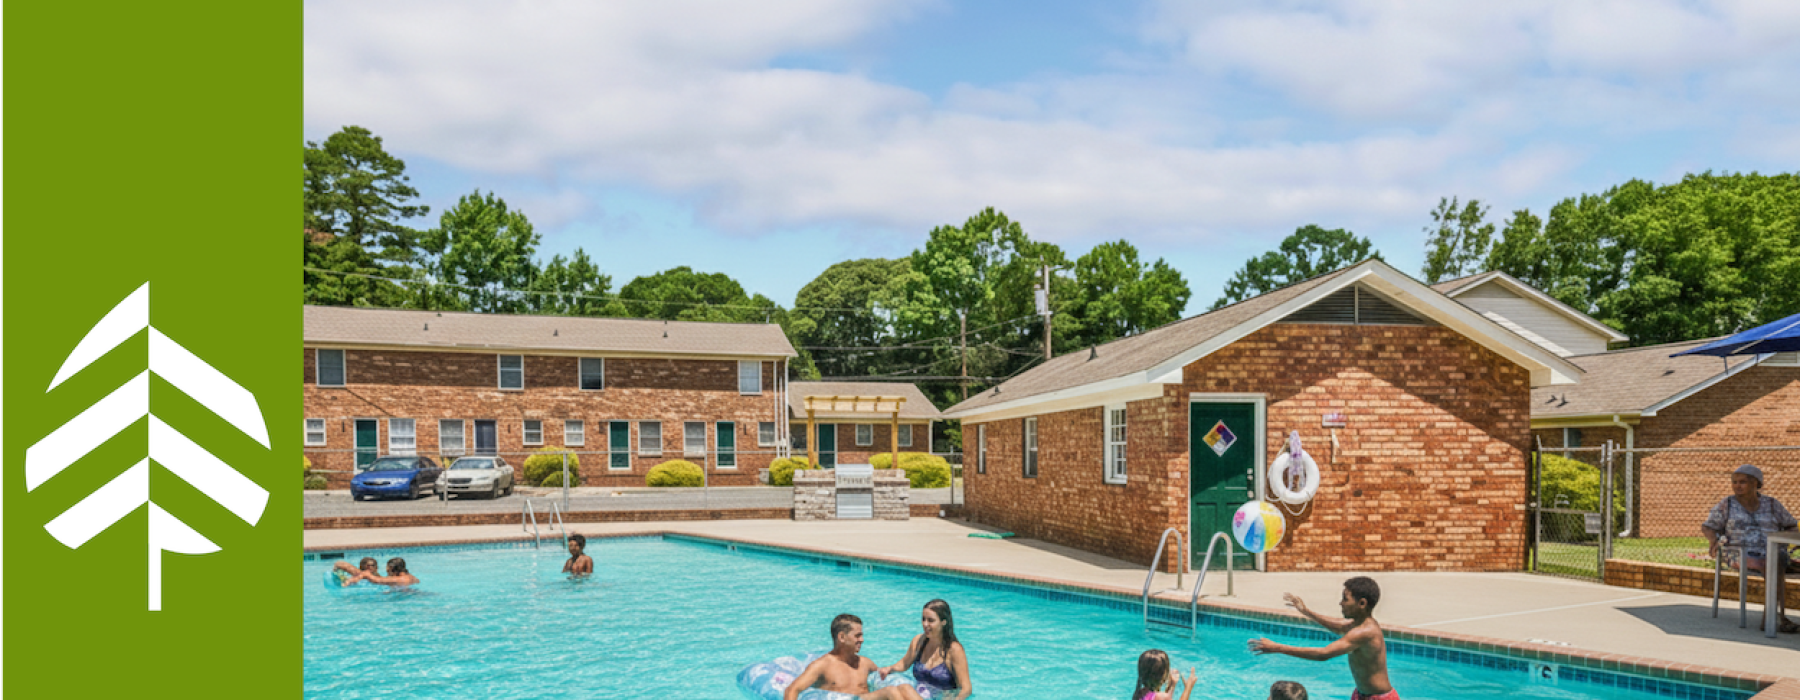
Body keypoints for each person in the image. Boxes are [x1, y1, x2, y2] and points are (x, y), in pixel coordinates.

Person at [1248, 577, 1395, 700]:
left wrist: (1277, 648)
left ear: (1362, 603)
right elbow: (1338, 626)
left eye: (1345, 599)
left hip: (1379, 697)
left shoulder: (1365, 632)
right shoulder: (1359, 624)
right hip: (1362, 694)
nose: (1340, 603)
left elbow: (1323, 654)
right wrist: (1306, 611)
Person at [1702, 464, 1798, 633]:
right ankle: (1773, 618)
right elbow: (1708, 527)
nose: (1737, 486)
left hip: (1773, 552)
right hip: (1738, 553)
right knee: (1773, 565)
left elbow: (1791, 526)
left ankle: (1775, 617)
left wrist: (1784, 542)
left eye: (1743, 482)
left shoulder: (1771, 504)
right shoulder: (1727, 504)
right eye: (1734, 482)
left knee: (1775, 561)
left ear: (1756, 483)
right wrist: (1713, 541)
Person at [784, 614, 923, 700]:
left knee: (905, 688)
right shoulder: (822, 665)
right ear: (842, 637)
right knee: (891, 692)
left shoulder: (865, 663)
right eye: (857, 635)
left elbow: (880, 679)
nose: (862, 640)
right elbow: (793, 689)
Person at [879, 599, 972, 699]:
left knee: (904, 689)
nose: (925, 624)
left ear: (943, 622)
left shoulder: (954, 649)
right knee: (894, 689)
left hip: (942, 697)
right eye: (923, 619)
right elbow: (904, 664)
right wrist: (890, 669)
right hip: (919, 694)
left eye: (930, 620)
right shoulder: (919, 641)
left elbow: (966, 688)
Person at [1130, 649, 1195, 700]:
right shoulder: (1162, 697)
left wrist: (1172, 685)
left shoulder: (1139, 693)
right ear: (1163, 675)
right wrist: (1188, 687)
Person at [345, 557, 419, 587]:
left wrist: (350, 580)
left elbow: (375, 579)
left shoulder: (399, 579)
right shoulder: (411, 577)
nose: (387, 573)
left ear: (392, 568)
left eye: (388, 570)